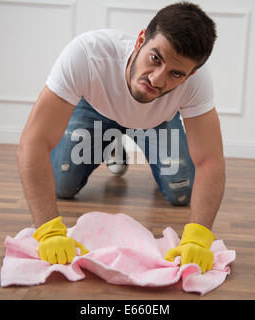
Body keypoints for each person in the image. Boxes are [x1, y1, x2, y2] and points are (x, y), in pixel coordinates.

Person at [17, 1, 226, 274]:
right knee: (61, 186)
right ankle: (112, 143)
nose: (157, 79)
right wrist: (48, 231)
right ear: (141, 40)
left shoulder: (196, 83)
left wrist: (199, 238)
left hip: (157, 119)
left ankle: (131, 141)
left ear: (191, 74)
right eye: (155, 58)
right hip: (97, 110)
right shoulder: (86, 54)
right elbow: (33, 141)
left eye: (176, 73)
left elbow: (210, 160)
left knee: (181, 191)